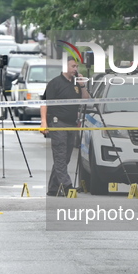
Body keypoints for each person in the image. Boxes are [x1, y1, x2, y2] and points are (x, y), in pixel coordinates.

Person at [41, 56, 90, 196]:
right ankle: (67, 185)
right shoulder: (54, 83)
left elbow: (85, 99)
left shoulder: (76, 83)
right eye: (73, 66)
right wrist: (44, 122)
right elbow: (45, 103)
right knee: (60, 154)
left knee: (65, 157)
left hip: (71, 124)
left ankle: (53, 188)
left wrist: (82, 85)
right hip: (58, 122)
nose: (75, 69)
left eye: (76, 67)